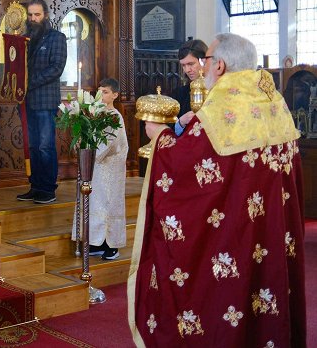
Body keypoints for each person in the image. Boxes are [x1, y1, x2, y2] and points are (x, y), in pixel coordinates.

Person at [129, 33, 305, 347]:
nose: (203, 67)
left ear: (219, 65)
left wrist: (160, 137)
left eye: (206, 60)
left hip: (235, 236)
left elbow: (185, 168)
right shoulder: (275, 102)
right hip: (272, 233)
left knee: (226, 301)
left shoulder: (222, 108)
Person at [17, 0, 66, 204]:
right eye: (30, 15)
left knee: (45, 146)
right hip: (25, 101)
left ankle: (48, 189)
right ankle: (35, 186)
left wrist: (29, 82)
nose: (33, 19)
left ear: (45, 15)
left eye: (37, 15)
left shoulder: (57, 38)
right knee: (32, 146)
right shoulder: (24, 38)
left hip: (45, 101)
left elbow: (56, 68)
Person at [72, 78, 128, 260]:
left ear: (115, 95)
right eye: (99, 91)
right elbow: (85, 136)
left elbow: (110, 143)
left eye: (105, 92)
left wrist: (90, 152)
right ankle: (96, 242)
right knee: (94, 201)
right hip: (94, 165)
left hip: (109, 168)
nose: (100, 95)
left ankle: (111, 245)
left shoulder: (114, 116)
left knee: (108, 203)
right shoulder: (94, 114)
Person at [172, 38, 207, 135]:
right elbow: (169, 130)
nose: (187, 70)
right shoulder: (180, 93)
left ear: (204, 61)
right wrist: (180, 123)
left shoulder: (218, 89)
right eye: (183, 65)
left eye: (191, 64)